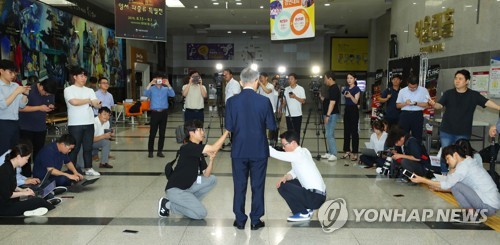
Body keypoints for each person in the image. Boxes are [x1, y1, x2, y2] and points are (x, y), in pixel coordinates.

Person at [225, 67, 277, 230]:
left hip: (239, 150)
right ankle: (255, 220)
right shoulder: (264, 101)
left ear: (241, 82)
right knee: (258, 185)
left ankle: (240, 220)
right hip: (259, 151)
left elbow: (229, 127)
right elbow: (271, 125)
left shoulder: (232, 102)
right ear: (257, 82)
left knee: (239, 185)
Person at [428, 69, 500, 174]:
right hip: (447, 130)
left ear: (467, 81)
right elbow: (439, 105)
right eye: (456, 78)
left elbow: (486, 102)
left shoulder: (473, 95)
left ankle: (458, 175)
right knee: (446, 153)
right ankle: (444, 175)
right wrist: (434, 105)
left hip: (463, 132)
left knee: (461, 155)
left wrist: (498, 107)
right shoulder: (448, 94)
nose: (457, 81)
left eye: (460, 79)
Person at [158, 120, 229, 219]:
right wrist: (227, 131)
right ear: (192, 133)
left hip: (187, 187)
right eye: (200, 130)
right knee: (201, 214)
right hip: (176, 190)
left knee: (212, 179)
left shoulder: (197, 150)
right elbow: (213, 148)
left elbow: (206, 175)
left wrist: (211, 160)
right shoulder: (188, 147)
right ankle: (168, 205)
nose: (203, 133)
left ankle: (189, 204)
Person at [411, 144, 500, 221]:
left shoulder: (463, 167)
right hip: (490, 204)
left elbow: (448, 185)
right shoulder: (467, 162)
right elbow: (459, 188)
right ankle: (472, 213)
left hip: (488, 206)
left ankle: (472, 215)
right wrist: (439, 188)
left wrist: (423, 180)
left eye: (448, 158)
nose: (447, 162)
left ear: (455, 155)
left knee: (456, 186)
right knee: (456, 186)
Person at [269, 131, 326, 222]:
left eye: (285, 145)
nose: (283, 148)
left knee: (282, 186)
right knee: (286, 182)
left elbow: (276, 154)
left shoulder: (297, 155)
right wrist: (286, 177)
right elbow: (295, 171)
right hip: (318, 196)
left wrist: (261, 143)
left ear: (294, 143)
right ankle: (307, 208)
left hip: (314, 197)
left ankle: (303, 213)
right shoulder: (304, 151)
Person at [64, 66, 101, 176]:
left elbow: (96, 103)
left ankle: (89, 168)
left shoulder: (89, 90)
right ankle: (72, 170)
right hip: (75, 124)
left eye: (85, 76)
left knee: (88, 147)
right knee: (74, 148)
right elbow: (74, 102)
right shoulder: (68, 90)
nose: (84, 78)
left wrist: (95, 103)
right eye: (81, 76)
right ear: (74, 77)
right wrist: (88, 100)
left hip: (89, 123)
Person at [0, 143, 55, 217]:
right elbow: (8, 195)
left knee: (34, 197)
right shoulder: (4, 170)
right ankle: (48, 205)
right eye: (26, 158)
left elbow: (11, 185)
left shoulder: (11, 166)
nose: (27, 161)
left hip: (10, 202)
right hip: (4, 207)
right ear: (18, 157)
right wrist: (24, 193)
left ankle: (40, 206)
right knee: (38, 201)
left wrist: (22, 190)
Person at [18, 76, 57, 177]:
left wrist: (51, 106)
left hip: (40, 127)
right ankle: (25, 176)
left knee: (39, 153)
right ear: (41, 87)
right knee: (26, 152)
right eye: (46, 93)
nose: (47, 96)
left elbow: (51, 102)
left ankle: (38, 175)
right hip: (26, 127)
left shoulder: (50, 91)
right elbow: (20, 108)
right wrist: (39, 108)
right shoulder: (28, 90)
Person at [0, 59, 29, 156]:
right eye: (10, 72)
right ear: (1, 71)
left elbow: (22, 105)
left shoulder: (15, 85)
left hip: (15, 122)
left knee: (15, 151)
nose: (13, 75)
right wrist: (16, 92)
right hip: (3, 123)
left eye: (14, 73)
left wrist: (25, 94)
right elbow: (3, 105)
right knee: (3, 151)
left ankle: (14, 171)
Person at [145, 72, 176, 158]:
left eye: (160, 79)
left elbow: (173, 94)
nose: (159, 81)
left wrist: (168, 84)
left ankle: (160, 151)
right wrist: (150, 83)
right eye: (157, 79)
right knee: (152, 133)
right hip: (154, 113)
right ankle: (150, 151)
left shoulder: (165, 89)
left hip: (164, 113)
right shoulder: (151, 89)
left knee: (162, 133)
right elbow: (145, 94)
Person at [396, 76, 430, 143]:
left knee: (417, 136)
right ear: (407, 83)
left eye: (414, 87)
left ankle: (416, 152)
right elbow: (397, 105)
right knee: (402, 135)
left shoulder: (424, 90)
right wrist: (405, 103)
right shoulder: (402, 91)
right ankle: (401, 151)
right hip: (405, 115)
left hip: (417, 115)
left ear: (418, 84)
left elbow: (427, 105)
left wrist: (416, 103)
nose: (412, 89)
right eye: (410, 87)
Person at [320, 71, 340, 161]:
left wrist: (327, 116)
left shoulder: (334, 88)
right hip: (328, 114)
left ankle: (334, 154)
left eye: (325, 79)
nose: (325, 81)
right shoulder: (331, 88)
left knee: (330, 134)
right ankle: (330, 152)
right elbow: (328, 100)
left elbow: (332, 103)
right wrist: (321, 97)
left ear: (330, 79)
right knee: (328, 134)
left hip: (331, 114)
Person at [340, 73, 361, 162]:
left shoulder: (357, 89)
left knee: (354, 132)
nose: (349, 80)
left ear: (355, 79)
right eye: (348, 78)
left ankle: (355, 152)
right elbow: (343, 93)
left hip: (354, 110)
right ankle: (347, 151)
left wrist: (350, 96)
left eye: (351, 78)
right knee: (346, 131)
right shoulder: (346, 88)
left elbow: (356, 101)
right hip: (347, 110)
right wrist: (345, 94)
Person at [283, 73, 306, 143]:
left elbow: (303, 101)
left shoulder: (300, 88)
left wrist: (295, 97)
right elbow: (284, 103)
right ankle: (290, 147)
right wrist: (280, 97)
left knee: (297, 132)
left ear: (296, 80)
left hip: (297, 114)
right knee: (289, 132)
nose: (290, 80)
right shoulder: (286, 89)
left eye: (291, 79)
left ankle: (297, 147)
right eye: (289, 79)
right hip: (288, 114)